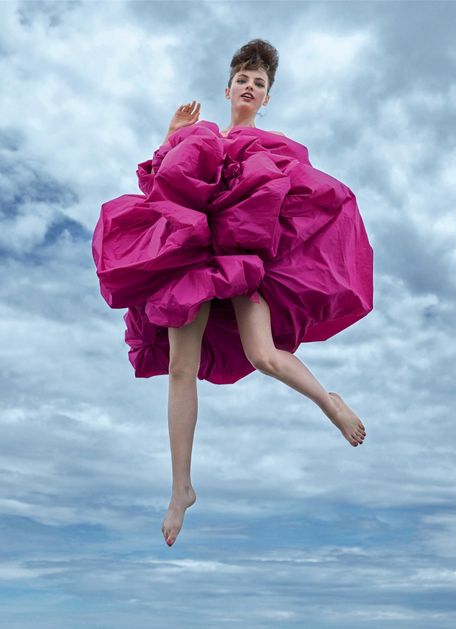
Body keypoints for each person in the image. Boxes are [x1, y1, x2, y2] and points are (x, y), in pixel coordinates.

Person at [91, 39, 373, 547]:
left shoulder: (275, 142)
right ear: (228, 89)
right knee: (181, 367)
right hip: (191, 255)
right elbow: (162, 187)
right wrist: (171, 136)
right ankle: (181, 489)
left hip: (242, 256)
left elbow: (291, 194)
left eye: (259, 83)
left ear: (267, 99)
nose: (249, 86)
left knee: (263, 354)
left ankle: (329, 402)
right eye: (243, 79)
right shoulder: (201, 136)